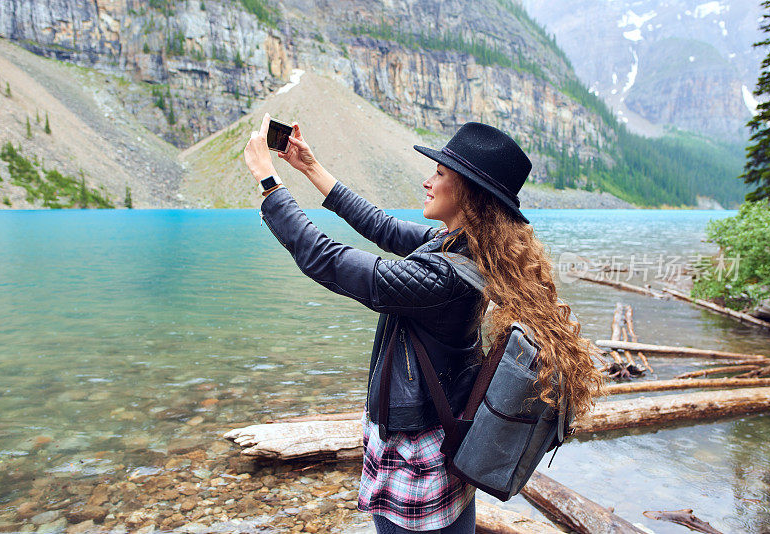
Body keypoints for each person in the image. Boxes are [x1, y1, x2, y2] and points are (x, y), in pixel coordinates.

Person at [243, 113, 604, 533]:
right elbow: (380, 225)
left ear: (469, 193)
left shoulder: (443, 276)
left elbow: (326, 259)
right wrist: (309, 167)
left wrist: (271, 185)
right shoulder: (465, 247)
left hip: (416, 461)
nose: (427, 181)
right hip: (442, 443)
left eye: (439, 172)